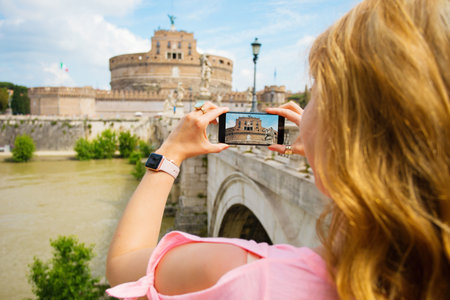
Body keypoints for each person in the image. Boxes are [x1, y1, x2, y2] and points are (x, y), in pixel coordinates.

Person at [106, 0, 450, 299]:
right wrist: (328, 155)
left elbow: (125, 267)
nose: (304, 108)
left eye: (314, 94)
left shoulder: (244, 274)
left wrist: (170, 153)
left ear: (343, 136)